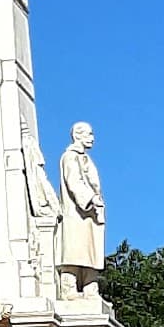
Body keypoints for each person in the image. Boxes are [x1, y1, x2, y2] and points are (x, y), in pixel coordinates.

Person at [58, 122, 105, 298]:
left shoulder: (84, 157)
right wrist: (90, 198)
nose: (92, 138)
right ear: (78, 135)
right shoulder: (69, 157)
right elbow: (74, 181)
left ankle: (90, 286)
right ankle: (69, 287)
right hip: (77, 212)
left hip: (90, 213)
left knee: (90, 250)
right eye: (89, 134)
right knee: (75, 249)